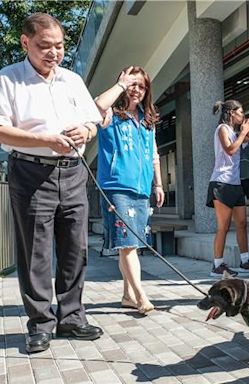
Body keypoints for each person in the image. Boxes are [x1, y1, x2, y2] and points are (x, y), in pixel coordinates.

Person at [0, 13, 104, 353]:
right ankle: (40, 323)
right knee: (36, 253)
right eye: (45, 46)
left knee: (76, 248)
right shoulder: (8, 79)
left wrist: (87, 130)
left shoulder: (72, 79)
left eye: (59, 46)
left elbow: (93, 120)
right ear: (25, 42)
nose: (54, 53)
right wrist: (44, 138)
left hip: (74, 172)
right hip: (30, 173)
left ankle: (72, 317)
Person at [94, 66, 164, 314]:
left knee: (132, 243)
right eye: (132, 84)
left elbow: (154, 155)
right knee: (128, 245)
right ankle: (140, 295)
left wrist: (158, 184)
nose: (137, 90)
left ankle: (126, 294)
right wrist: (120, 85)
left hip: (142, 189)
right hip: (116, 187)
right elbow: (97, 105)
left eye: (141, 86)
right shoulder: (111, 115)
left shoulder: (147, 121)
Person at [206, 100, 249, 277]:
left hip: (236, 183)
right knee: (223, 226)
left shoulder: (234, 131)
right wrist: (243, 132)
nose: (242, 116)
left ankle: (245, 260)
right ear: (231, 113)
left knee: (242, 223)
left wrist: (245, 131)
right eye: (240, 112)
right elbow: (230, 149)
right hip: (221, 183)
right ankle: (217, 264)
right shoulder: (222, 129)